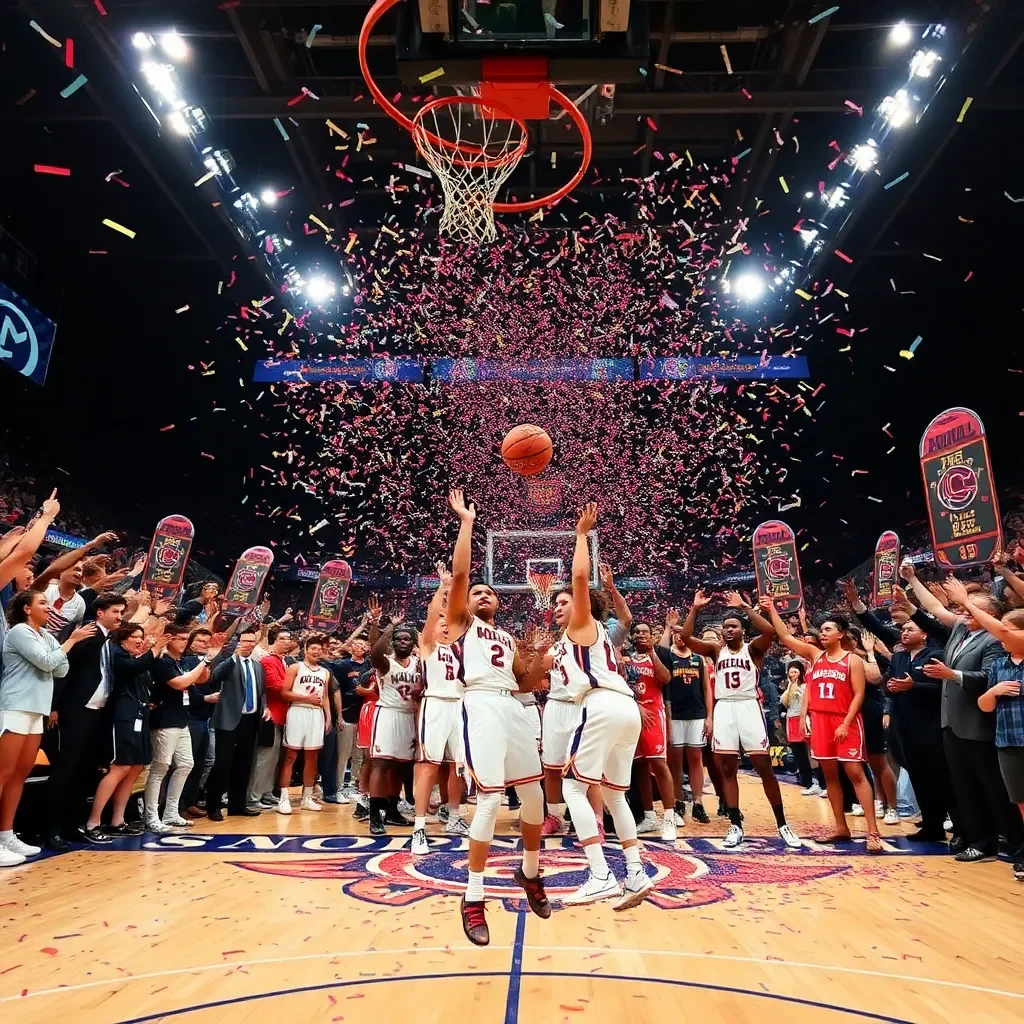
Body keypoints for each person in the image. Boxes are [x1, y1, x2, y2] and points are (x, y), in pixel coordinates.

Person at [446, 489, 549, 946]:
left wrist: (540, 659)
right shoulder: (461, 623)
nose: (483, 594)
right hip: (480, 705)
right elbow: (462, 572)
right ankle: (473, 896)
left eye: (490, 593)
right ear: (467, 602)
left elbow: (526, 684)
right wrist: (467, 521)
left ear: (498, 603)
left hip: (512, 706)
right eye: (477, 592)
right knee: (488, 801)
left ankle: (529, 873)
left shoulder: (507, 636)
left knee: (534, 800)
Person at [548, 503, 654, 909]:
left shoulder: (583, 624)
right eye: (555, 604)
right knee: (613, 796)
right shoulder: (575, 640)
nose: (559, 607)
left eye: (564, 602)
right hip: (622, 709)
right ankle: (635, 871)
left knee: (573, 785)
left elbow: (578, 576)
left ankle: (599, 874)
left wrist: (580, 535)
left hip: (601, 706)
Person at [901, 564, 1020, 861]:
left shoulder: (995, 640)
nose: (965, 616)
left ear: (988, 616)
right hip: (952, 723)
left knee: (994, 790)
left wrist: (951, 674)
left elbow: (986, 678)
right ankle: (978, 840)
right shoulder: (960, 631)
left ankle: (1009, 842)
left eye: (971, 612)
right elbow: (935, 607)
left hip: (979, 722)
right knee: (964, 787)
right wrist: (912, 579)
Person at [678, 591, 801, 850]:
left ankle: (782, 824)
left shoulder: (753, 649)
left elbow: (769, 632)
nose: (728, 630)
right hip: (724, 708)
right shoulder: (714, 650)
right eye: (725, 628)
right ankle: (735, 824)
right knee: (727, 769)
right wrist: (694, 609)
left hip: (748, 706)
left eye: (733, 626)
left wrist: (746, 607)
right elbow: (687, 637)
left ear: (743, 630)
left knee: (763, 765)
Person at [764, 600, 882, 853]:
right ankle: (841, 827)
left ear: (840, 633)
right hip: (820, 722)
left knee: (855, 774)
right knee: (830, 777)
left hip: (844, 721)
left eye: (828, 629)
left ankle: (873, 831)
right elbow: (784, 636)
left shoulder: (853, 661)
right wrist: (771, 608)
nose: (823, 634)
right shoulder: (814, 656)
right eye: (822, 630)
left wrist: (846, 723)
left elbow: (859, 695)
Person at [0, 590, 95, 864]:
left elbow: (61, 669)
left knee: (21, 774)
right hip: (16, 705)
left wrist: (58, 652)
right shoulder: (19, 631)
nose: (48, 607)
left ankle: (6, 834)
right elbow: (48, 662)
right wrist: (70, 642)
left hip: (37, 708)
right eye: (42, 602)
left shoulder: (46, 636)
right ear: (27, 609)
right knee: (4, 773)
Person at [44, 592, 127, 850]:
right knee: (64, 773)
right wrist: (55, 706)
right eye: (115, 611)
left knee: (83, 774)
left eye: (122, 612)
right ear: (100, 612)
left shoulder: (108, 640)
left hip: (96, 713)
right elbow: (62, 673)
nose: (120, 617)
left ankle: (73, 826)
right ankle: (50, 830)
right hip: (75, 713)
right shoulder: (86, 636)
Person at [80, 620, 170, 843]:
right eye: (135, 638)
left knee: (135, 768)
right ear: (122, 639)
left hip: (140, 716)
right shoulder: (117, 656)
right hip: (121, 717)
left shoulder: (136, 659)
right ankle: (92, 822)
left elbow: (149, 677)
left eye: (142, 638)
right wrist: (155, 649)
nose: (139, 641)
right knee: (119, 768)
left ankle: (117, 821)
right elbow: (132, 669)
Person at [411, 565, 469, 854]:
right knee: (428, 767)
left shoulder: (461, 649)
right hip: (434, 705)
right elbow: (434, 612)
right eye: (441, 622)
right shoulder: (428, 646)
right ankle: (419, 827)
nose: (445, 624)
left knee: (457, 767)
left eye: (449, 622)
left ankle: (455, 817)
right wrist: (443, 588)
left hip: (459, 708)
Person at [145, 625, 212, 832]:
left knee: (185, 764)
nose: (184, 642)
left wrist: (206, 662)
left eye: (186, 638)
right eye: (179, 638)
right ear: (168, 639)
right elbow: (181, 683)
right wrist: (207, 660)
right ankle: (151, 816)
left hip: (182, 719)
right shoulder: (162, 662)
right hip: (164, 721)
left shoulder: (180, 661)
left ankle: (172, 812)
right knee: (160, 767)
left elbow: (202, 678)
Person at [366, 606, 420, 835]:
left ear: (413, 643)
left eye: (407, 639)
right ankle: (374, 815)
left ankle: (392, 810)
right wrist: (391, 627)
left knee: (400, 766)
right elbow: (374, 653)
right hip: (388, 714)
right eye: (399, 639)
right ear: (393, 642)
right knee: (381, 764)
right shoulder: (386, 662)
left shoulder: (420, 663)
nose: (403, 642)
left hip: (409, 716)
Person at [205, 629, 268, 822]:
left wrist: (265, 707)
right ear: (237, 642)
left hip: (250, 720)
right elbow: (216, 676)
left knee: (244, 764)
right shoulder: (228, 661)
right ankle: (213, 805)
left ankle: (237, 805)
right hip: (229, 719)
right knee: (222, 763)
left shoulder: (257, 666)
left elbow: (261, 691)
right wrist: (234, 656)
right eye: (244, 641)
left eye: (251, 641)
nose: (248, 644)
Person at [623, 621, 677, 840]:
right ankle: (649, 816)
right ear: (632, 636)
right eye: (637, 632)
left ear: (652, 635)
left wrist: (652, 651)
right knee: (639, 766)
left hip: (654, 714)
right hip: (632, 714)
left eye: (645, 631)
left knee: (659, 763)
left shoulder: (659, 655)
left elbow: (665, 679)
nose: (641, 635)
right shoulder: (625, 658)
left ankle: (670, 818)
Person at [659, 608, 713, 825]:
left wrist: (709, 717)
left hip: (697, 714)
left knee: (696, 758)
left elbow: (707, 690)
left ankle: (698, 803)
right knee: (675, 761)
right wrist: (668, 627)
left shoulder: (699, 659)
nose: (680, 637)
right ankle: (678, 801)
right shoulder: (668, 655)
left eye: (683, 633)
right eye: (676, 634)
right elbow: (660, 649)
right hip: (674, 715)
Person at [277, 635, 333, 814]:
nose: (317, 652)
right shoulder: (295, 667)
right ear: (306, 650)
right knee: (291, 756)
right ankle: (283, 798)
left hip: (316, 714)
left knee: (312, 757)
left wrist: (328, 717)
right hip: (298, 711)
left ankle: (307, 798)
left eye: (319, 649)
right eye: (313, 649)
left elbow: (324, 697)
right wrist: (306, 698)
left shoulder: (325, 672)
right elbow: (285, 693)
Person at [252, 626, 295, 809]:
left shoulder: (285, 661)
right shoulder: (268, 660)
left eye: (289, 638)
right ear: (273, 641)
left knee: (274, 759)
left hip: (283, 714)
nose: (287, 642)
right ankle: (254, 797)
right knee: (265, 758)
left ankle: (267, 792)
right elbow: (275, 685)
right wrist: (298, 690)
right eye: (282, 639)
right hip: (271, 714)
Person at [179, 628, 220, 819]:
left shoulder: (210, 660)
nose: (204, 644)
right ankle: (178, 806)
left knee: (201, 763)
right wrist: (205, 699)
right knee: (185, 764)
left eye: (207, 641)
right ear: (191, 643)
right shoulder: (187, 661)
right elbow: (190, 687)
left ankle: (191, 801)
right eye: (201, 641)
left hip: (206, 718)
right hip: (191, 717)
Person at [780, 661, 817, 793]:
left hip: (803, 719)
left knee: (809, 752)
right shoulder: (788, 686)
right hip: (791, 720)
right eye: (790, 671)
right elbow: (784, 702)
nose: (792, 674)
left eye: (795, 671)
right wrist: (790, 686)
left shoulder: (806, 686)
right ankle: (807, 783)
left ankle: (818, 782)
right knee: (798, 754)